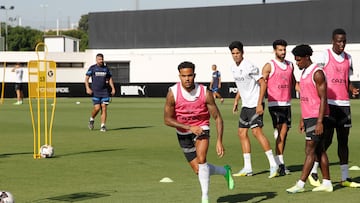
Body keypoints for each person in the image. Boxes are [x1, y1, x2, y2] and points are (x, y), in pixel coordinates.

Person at [164, 61, 234, 203]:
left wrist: (219, 141)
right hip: (183, 133)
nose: (187, 79)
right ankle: (224, 171)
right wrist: (189, 127)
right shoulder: (173, 93)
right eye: (184, 76)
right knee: (199, 170)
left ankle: (205, 198)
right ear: (179, 76)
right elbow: (167, 119)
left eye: (190, 75)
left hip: (202, 128)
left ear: (194, 75)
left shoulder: (205, 93)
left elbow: (218, 118)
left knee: (202, 161)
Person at [309, 28, 360, 188]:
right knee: (326, 140)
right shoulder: (324, 55)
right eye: (339, 41)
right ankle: (314, 170)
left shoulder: (349, 58)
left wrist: (351, 89)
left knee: (343, 141)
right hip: (329, 104)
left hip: (344, 105)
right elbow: (316, 76)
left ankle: (345, 177)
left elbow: (347, 80)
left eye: (344, 41)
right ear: (333, 40)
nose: (342, 44)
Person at [286, 44, 333, 193]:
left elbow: (323, 98)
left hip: (317, 117)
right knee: (320, 151)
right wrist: (302, 118)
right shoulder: (305, 72)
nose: (297, 63)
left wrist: (319, 122)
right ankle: (327, 183)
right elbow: (306, 97)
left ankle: (300, 184)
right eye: (295, 60)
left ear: (307, 57)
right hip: (309, 117)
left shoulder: (317, 73)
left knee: (309, 150)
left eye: (299, 60)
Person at [228, 41, 278, 178]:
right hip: (245, 105)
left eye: (238, 53)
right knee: (241, 133)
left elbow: (263, 84)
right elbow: (241, 86)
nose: (235, 55)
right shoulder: (233, 68)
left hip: (255, 104)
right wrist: (236, 100)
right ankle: (248, 168)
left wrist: (259, 103)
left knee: (256, 132)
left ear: (242, 53)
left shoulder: (250, 66)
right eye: (233, 53)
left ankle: (274, 165)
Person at [262, 39, 295, 176]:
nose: (283, 52)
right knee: (282, 132)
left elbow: (294, 83)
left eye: (284, 50)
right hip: (275, 104)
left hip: (287, 104)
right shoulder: (269, 65)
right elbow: (262, 84)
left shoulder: (290, 65)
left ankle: (279, 162)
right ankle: (280, 164)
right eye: (280, 50)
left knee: (284, 134)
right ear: (275, 50)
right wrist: (260, 102)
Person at [85, 53, 115, 132]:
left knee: (104, 108)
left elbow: (110, 79)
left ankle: (103, 126)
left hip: (105, 92)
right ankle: (91, 119)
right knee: (97, 108)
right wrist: (87, 88)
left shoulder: (106, 69)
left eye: (102, 59)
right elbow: (86, 79)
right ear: (96, 60)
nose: (101, 61)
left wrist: (113, 88)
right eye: (99, 59)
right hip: (95, 92)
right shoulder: (92, 68)